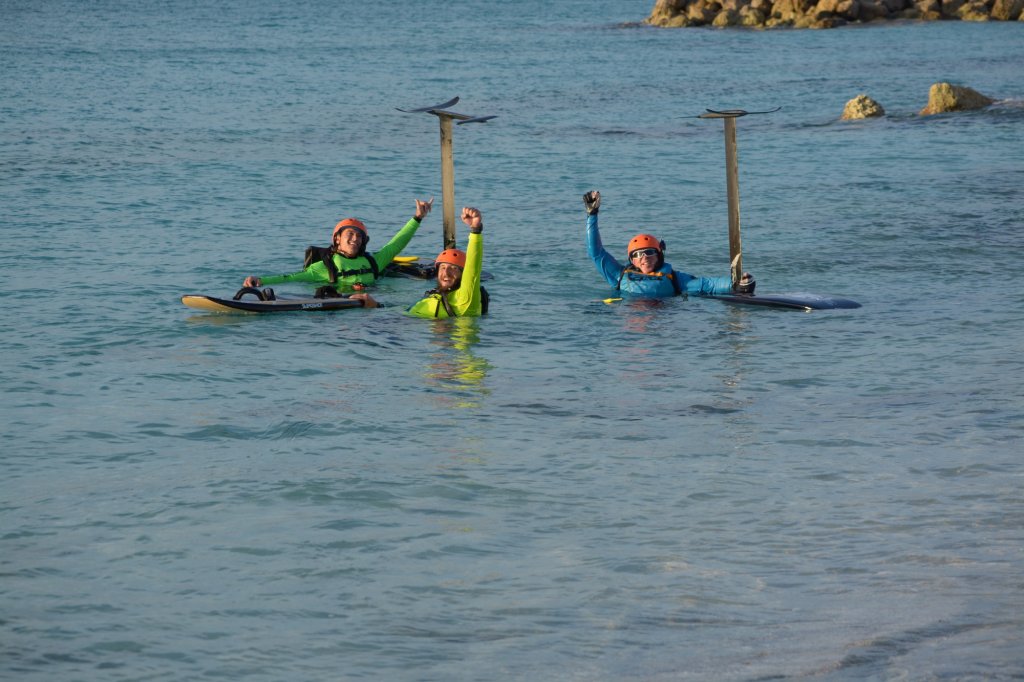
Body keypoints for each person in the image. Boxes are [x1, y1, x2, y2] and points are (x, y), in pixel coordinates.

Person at [241, 198, 434, 304]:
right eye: (350, 234)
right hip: (339, 307)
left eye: (359, 236)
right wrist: (262, 281)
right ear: (337, 239)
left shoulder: (374, 262)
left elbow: (396, 243)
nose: (355, 239)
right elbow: (292, 278)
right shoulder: (325, 267)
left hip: (373, 304)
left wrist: (417, 218)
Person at [583, 190, 753, 298]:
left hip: (663, 323)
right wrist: (592, 215)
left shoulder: (674, 279)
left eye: (649, 252)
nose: (644, 257)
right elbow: (596, 253)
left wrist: (735, 284)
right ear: (632, 260)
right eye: (637, 254)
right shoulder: (618, 276)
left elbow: (706, 285)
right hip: (630, 324)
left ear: (659, 254)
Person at [404, 206, 487, 318]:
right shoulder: (433, 296)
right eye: (442, 267)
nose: (446, 273)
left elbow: (473, 267)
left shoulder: (465, 299)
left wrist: (475, 230)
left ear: (463, 274)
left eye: (453, 268)